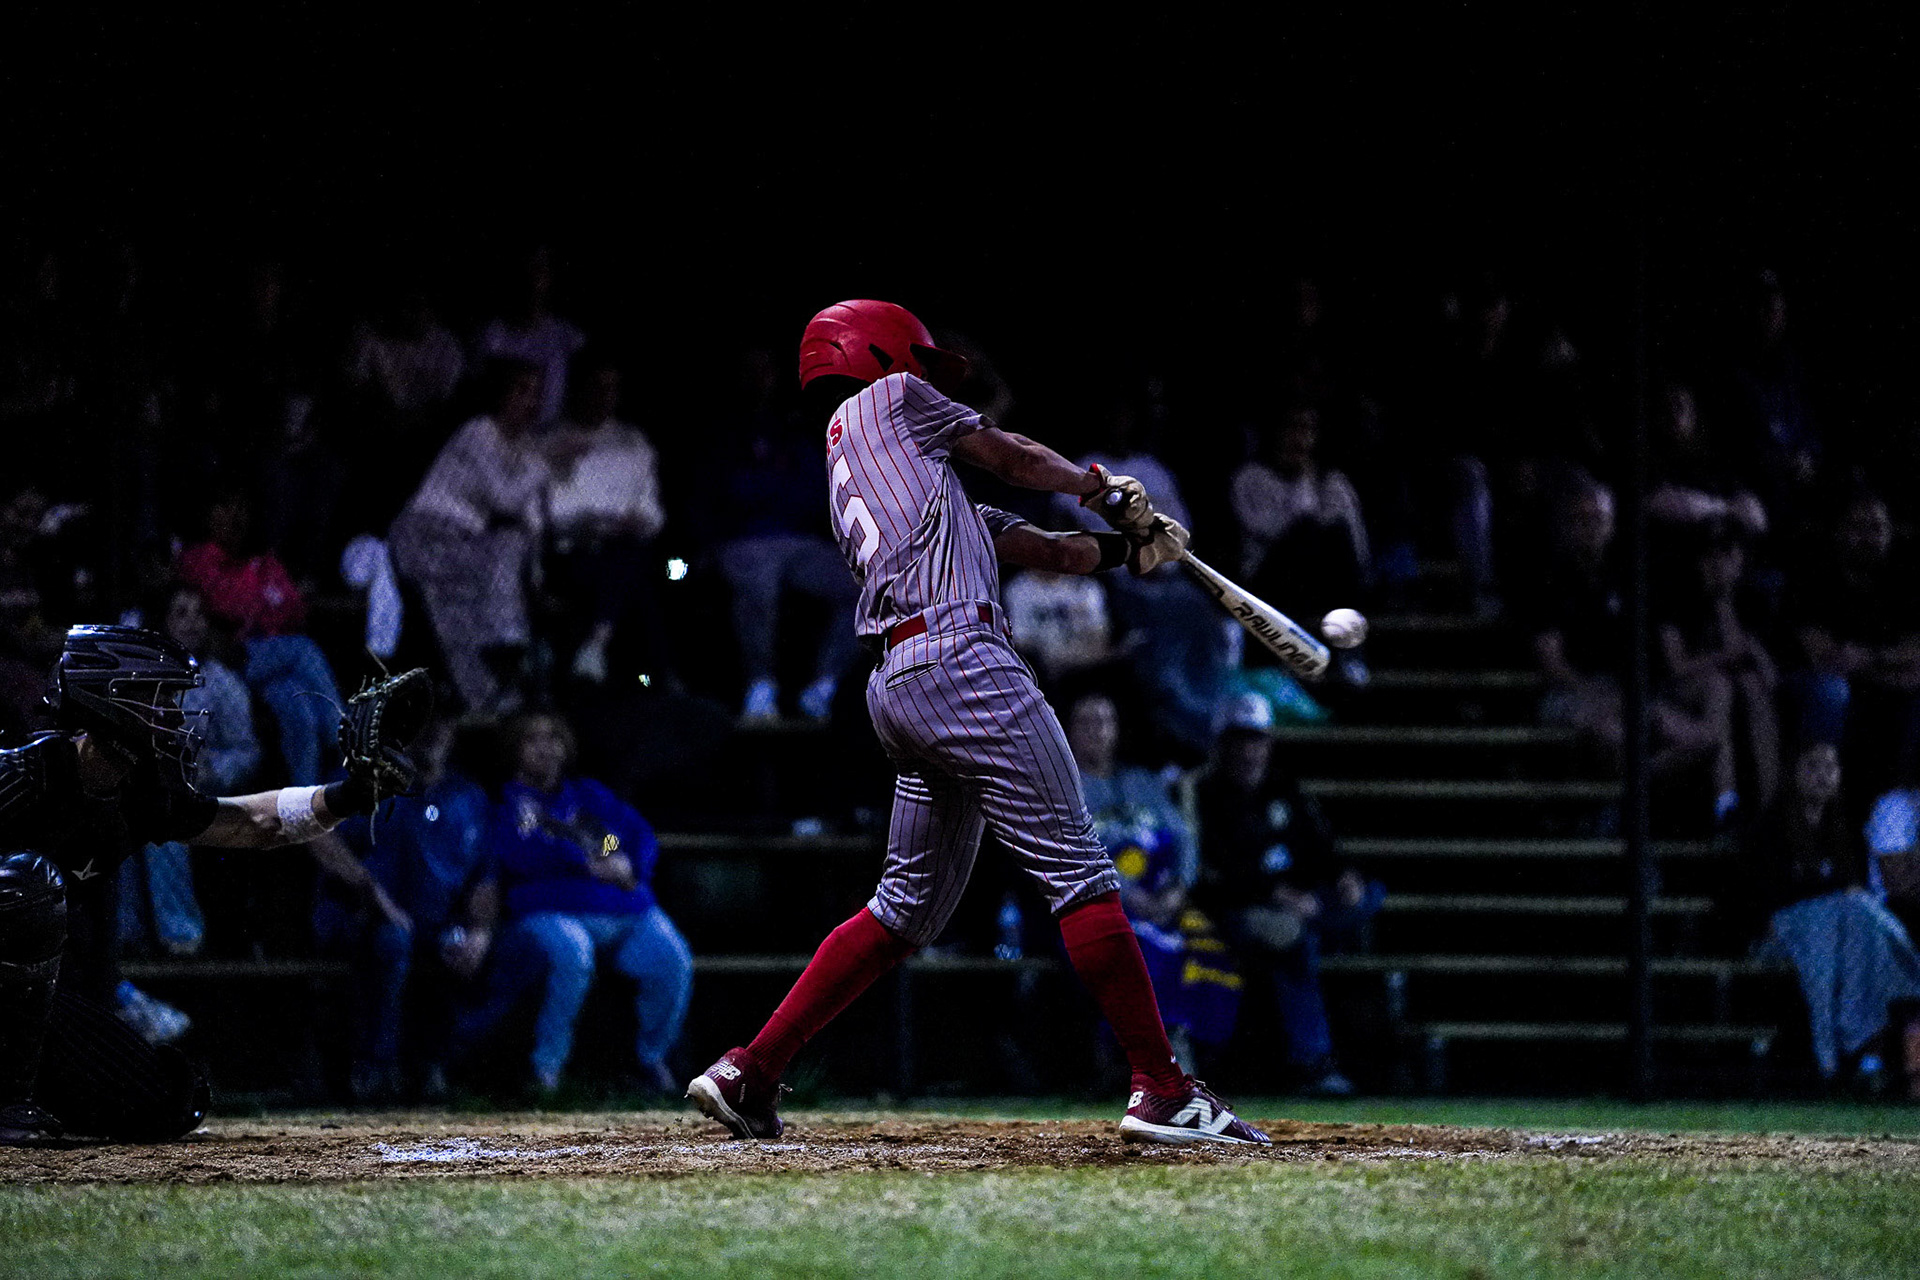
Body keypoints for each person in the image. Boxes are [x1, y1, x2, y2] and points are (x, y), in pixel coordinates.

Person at [687, 299, 1267, 1147]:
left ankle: (750, 1070)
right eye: (920, 362)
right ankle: (1163, 1088)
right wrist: (1099, 485)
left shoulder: (895, 486)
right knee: (1080, 870)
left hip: (902, 684)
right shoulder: (889, 399)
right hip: (964, 664)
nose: (931, 378)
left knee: (903, 911)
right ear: (878, 354)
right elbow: (1014, 454)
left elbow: (1051, 549)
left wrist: (1135, 547)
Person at [0, 624, 418, 1144]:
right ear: (111, 702)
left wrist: (352, 793)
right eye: (158, 700)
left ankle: (33, 1095)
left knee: (168, 1101)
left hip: (33, 1007)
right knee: (27, 887)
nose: (175, 716)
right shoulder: (23, 774)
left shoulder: (138, 792)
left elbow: (254, 822)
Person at [459, 711, 690, 1094]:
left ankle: (649, 1062)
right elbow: (517, 856)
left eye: (553, 738)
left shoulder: (588, 796)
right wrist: (582, 863)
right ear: (514, 750)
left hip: (624, 907)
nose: (545, 748)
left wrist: (627, 862)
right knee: (572, 952)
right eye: (532, 739)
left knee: (670, 955)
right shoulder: (508, 804)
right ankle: (545, 1070)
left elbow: (630, 835)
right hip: (549, 909)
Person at [1194, 693, 1379, 1094]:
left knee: (1369, 893)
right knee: (1296, 940)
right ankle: (1312, 1060)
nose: (1249, 751)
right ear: (1223, 744)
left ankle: (1330, 934)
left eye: (1256, 740)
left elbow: (1321, 845)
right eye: (1240, 740)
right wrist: (1277, 894)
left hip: (1298, 902)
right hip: (1237, 909)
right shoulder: (1206, 794)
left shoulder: (1285, 788)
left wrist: (1343, 874)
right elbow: (1214, 873)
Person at [314, 717, 495, 1101]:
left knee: (476, 948)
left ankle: (440, 1068)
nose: (433, 730)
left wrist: (480, 929)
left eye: (442, 720)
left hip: (439, 923)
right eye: (422, 719)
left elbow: (485, 875)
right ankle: (376, 1069)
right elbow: (318, 832)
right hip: (363, 916)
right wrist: (369, 889)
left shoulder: (466, 794)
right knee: (392, 941)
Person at [1065, 692, 1239, 1069]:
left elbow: (1182, 837)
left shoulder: (1142, 782)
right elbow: (1070, 856)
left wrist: (1179, 887)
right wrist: (1127, 896)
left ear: (1116, 730)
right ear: (1069, 730)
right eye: (1086, 722)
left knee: (1209, 951)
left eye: (1104, 721)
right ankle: (1153, 1057)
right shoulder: (1060, 789)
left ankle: (1199, 1048)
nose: (1096, 731)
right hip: (1100, 908)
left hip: (1165, 901)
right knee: (1140, 953)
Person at [389, 358, 554, 715]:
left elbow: (531, 524)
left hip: (466, 546)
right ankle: (506, 645)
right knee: (486, 573)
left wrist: (538, 575)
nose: (531, 402)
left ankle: (496, 693)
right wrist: (545, 466)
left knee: (506, 557)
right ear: (501, 394)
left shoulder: (526, 450)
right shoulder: (478, 432)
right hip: (425, 535)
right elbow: (505, 499)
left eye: (536, 393)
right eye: (522, 391)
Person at [1753, 743, 1920, 1086]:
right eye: (1813, 766)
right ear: (1794, 773)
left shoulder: (1844, 827)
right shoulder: (1771, 826)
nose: (1823, 776)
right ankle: (1831, 1059)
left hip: (1844, 931)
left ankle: (1865, 1056)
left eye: (1830, 768)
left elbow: (1852, 887)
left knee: (1862, 933)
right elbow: (1775, 896)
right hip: (1790, 932)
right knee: (1844, 925)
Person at [176, 488, 345, 785]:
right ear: (209, 514)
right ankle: (346, 740)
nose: (235, 517)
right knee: (302, 649)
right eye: (225, 507)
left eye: (240, 508)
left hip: (269, 662)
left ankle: (305, 801)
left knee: (299, 709)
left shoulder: (262, 562)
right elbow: (228, 607)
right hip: (229, 658)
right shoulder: (198, 560)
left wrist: (263, 613)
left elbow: (295, 609)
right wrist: (266, 611)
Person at [543, 351, 673, 687]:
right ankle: (658, 677)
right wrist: (597, 523)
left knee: (632, 559)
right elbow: (554, 512)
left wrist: (634, 523)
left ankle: (596, 650)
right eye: (596, 387)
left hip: (626, 546)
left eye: (611, 388)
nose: (604, 397)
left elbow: (652, 511)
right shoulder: (553, 442)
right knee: (635, 578)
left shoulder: (632, 441)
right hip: (571, 552)